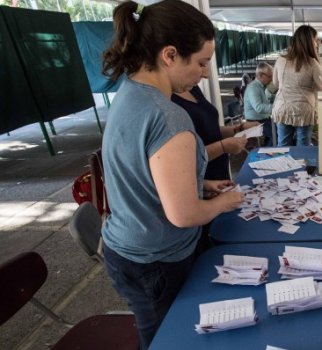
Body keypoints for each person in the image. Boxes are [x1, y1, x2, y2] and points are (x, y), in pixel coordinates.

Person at [100, 1, 243, 348]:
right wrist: (225, 202)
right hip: (157, 262)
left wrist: (200, 183)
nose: (205, 74)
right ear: (170, 55)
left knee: (156, 331)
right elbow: (184, 215)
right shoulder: (169, 117)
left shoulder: (129, 94)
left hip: (126, 251)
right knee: (169, 340)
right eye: (201, 63)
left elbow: (142, 172)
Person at [172, 87, 258, 181]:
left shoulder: (193, 88)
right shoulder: (169, 102)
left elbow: (209, 130)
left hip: (219, 173)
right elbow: (187, 157)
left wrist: (239, 128)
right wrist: (223, 147)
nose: (205, 74)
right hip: (202, 179)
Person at [272, 25, 322, 146]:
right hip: (304, 109)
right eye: (315, 40)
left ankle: (282, 165)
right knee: (303, 147)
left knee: (283, 146)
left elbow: (275, 83)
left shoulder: (281, 59)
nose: (316, 44)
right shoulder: (312, 63)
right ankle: (302, 165)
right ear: (308, 41)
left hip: (282, 108)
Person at [243, 62, 275, 147]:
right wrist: (276, 108)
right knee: (278, 135)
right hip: (255, 122)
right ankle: (267, 155)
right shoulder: (253, 88)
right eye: (270, 76)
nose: (271, 79)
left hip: (263, 120)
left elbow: (267, 102)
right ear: (261, 75)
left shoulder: (262, 87)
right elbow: (259, 107)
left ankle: (268, 150)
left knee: (281, 131)